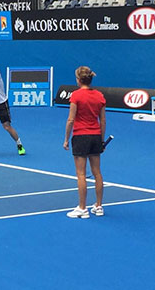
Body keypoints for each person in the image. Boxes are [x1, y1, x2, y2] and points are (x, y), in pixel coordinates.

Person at [63, 66, 106, 219]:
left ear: (79, 80)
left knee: (81, 174)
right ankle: (99, 206)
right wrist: (101, 140)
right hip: (95, 136)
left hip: (81, 136)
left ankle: (82, 208)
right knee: (97, 173)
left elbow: (70, 119)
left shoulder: (76, 96)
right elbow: (103, 121)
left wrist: (66, 139)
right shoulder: (99, 96)